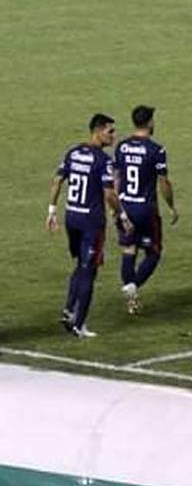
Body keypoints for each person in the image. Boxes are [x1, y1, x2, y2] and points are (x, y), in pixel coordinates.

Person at [47, 113, 124, 338]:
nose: (113, 135)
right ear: (98, 131)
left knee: (81, 264)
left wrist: (52, 209)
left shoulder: (73, 152)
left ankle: (69, 310)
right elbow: (109, 194)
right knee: (89, 271)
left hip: (72, 217)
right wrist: (122, 215)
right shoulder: (103, 160)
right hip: (92, 222)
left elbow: (57, 180)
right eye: (110, 131)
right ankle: (79, 325)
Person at [114, 105, 178, 314]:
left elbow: (116, 178)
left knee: (129, 249)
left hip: (124, 205)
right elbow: (163, 182)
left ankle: (131, 297)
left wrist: (116, 207)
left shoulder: (121, 147)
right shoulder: (156, 150)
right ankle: (132, 287)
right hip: (145, 209)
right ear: (150, 122)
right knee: (153, 252)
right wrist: (172, 206)